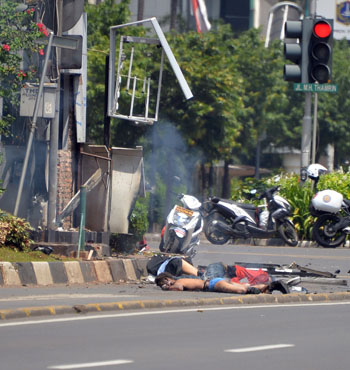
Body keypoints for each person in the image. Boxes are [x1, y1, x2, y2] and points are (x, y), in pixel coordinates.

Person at [154, 271, 274, 294]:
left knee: (241, 290)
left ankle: (270, 287)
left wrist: (167, 288)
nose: (164, 285)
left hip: (212, 284)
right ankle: (267, 288)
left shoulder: (178, 282)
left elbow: (179, 288)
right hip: (214, 282)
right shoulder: (181, 278)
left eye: (163, 283)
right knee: (246, 286)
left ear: (167, 279)